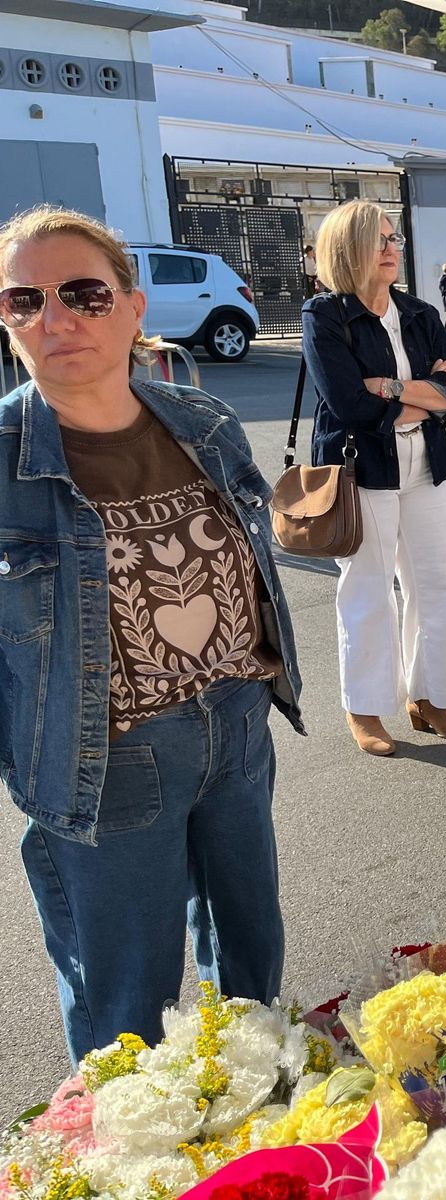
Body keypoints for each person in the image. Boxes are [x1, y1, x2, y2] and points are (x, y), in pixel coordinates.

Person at [0, 205, 303, 1060]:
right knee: (126, 1015)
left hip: (236, 730)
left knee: (252, 974)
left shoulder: (201, 423)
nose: (54, 320)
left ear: (134, 309)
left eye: (84, 294)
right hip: (107, 763)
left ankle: (252, 1157)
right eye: (24, 301)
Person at [303, 200, 446, 756]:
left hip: (426, 464)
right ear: (346, 249)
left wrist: (394, 388)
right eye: (377, 240)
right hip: (362, 467)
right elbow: (350, 404)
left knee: (433, 583)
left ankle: (429, 697)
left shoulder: (421, 314)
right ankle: (366, 708)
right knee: (369, 589)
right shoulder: (326, 316)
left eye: (392, 237)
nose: (391, 247)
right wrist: (426, 392)